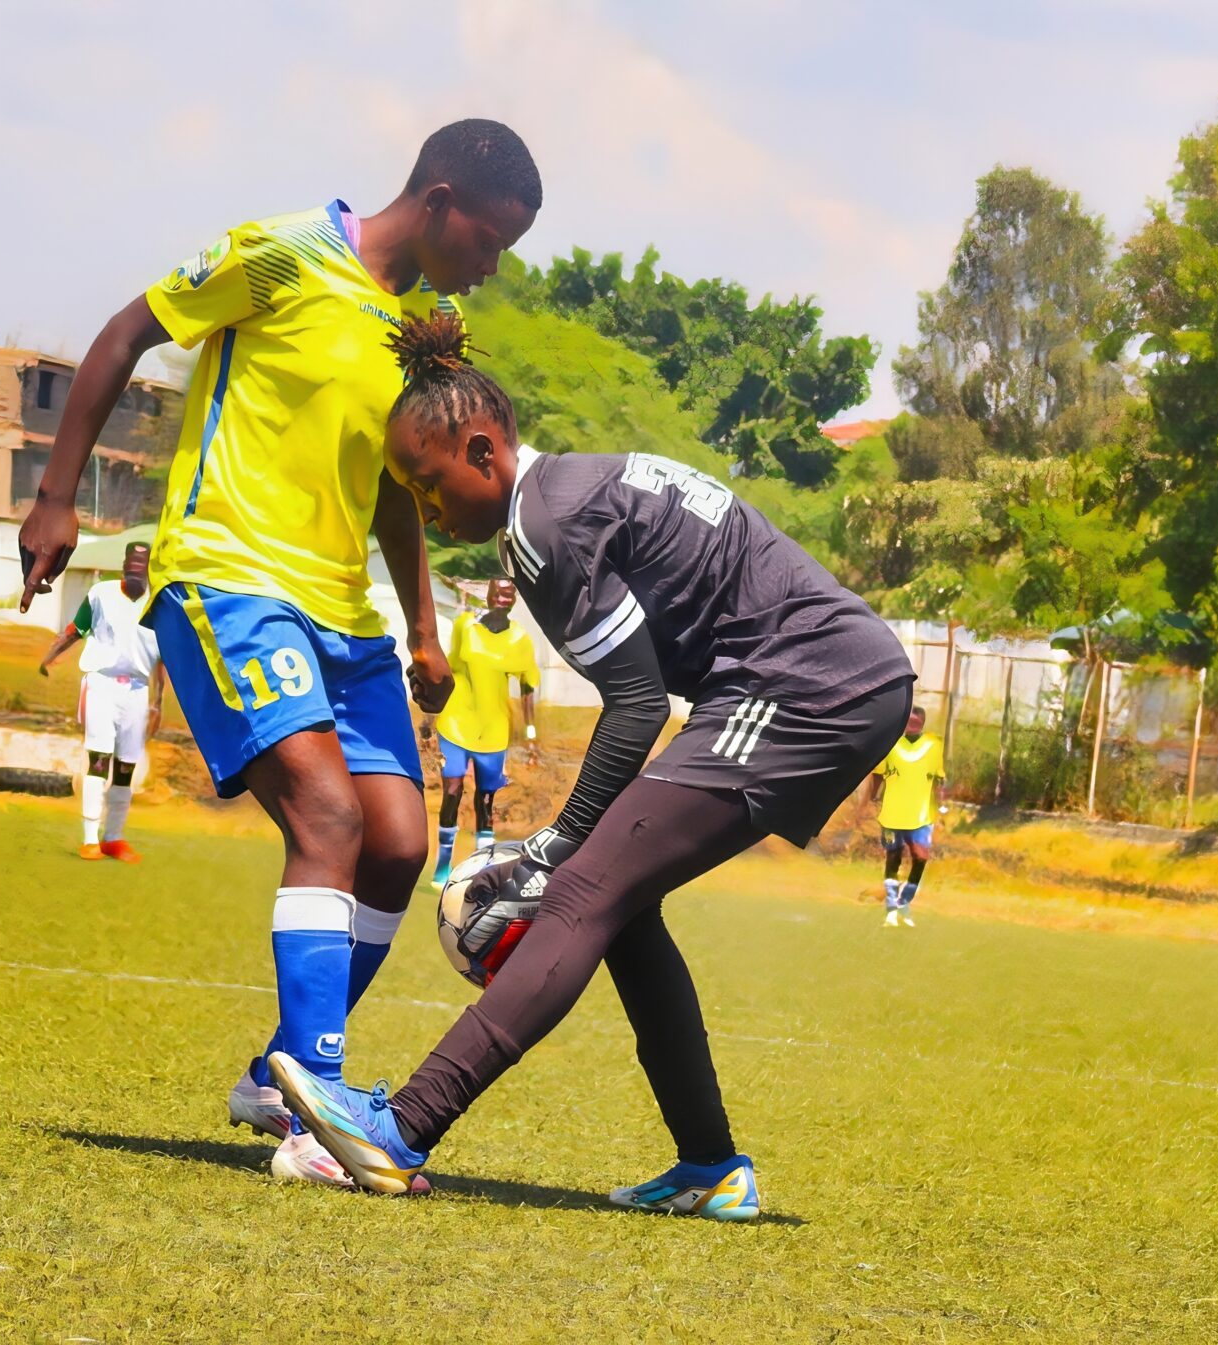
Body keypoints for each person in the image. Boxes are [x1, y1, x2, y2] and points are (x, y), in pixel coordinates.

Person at [266, 311, 917, 1221]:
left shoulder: (545, 526)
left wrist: (553, 844)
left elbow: (639, 705)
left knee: (578, 891)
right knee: (621, 902)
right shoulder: (557, 500)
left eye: (427, 481)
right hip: (804, 678)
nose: (423, 505)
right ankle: (710, 1166)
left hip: (808, 682)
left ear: (483, 450)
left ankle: (401, 1128)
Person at [15, 122, 541, 1188]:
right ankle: (314, 1115)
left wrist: (425, 628)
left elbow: (402, 484)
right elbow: (126, 333)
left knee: (396, 845)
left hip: (345, 617)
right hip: (230, 580)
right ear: (440, 201)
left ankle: (279, 1074)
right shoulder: (283, 251)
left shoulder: (413, 337)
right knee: (329, 819)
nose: (490, 270)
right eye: (489, 243)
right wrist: (58, 495)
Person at [37, 541, 166, 861]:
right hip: (102, 685)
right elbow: (74, 629)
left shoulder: (158, 605)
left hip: (137, 692)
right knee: (99, 759)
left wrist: (158, 703)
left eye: (141, 566)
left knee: (126, 767)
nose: (135, 570)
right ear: (123, 565)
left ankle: (114, 838)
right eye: (131, 564)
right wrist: (51, 655)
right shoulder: (101, 594)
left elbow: (162, 658)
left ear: (149, 569)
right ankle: (90, 837)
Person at [423, 578, 541, 888]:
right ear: (487, 595)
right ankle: (443, 864)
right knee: (452, 791)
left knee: (486, 801)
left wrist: (530, 734)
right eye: (498, 592)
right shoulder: (466, 626)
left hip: (493, 731)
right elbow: (449, 670)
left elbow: (528, 686)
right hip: (456, 722)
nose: (503, 598)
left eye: (509, 594)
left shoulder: (520, 640)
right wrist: (430, 714)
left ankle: (480, 871)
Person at [866, 704, 944, 927]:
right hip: (892, 814)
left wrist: (941, 808)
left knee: (920, 859)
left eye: (915, 722)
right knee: (893, 858)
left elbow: (938, 780)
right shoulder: (890, 744)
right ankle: (891, 910)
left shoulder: (933, 747)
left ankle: (904, 901)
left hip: (921, 817)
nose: (911, 725)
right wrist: (871, 798)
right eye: (908, 721)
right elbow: (878, 774)